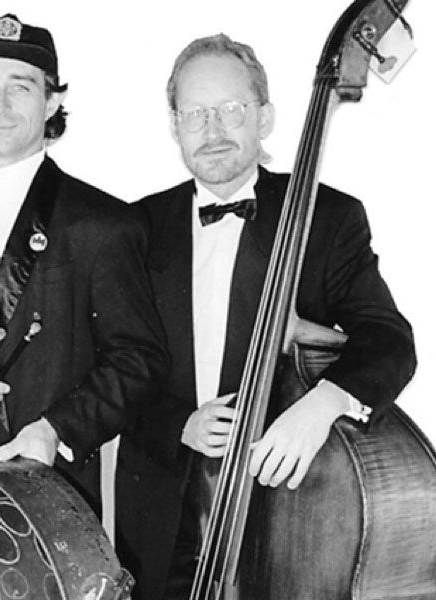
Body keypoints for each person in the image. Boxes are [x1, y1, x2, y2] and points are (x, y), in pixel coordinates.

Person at [114, 33, 416, 600]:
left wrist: (323, 404)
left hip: (289, 514)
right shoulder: (135, 227)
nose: (212, 129)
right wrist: (178, 423)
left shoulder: (328, 218)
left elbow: (389, 340)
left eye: (231, 109)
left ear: (265, 117)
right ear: (175, 126)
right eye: (195, 113)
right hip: (161, 519)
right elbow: (110, 365)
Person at [0, 14, 167, 510]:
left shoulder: (105, 223)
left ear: (52, 102)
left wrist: (56, 429)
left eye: (20, 87)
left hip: (55, 496)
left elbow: (138, 360)